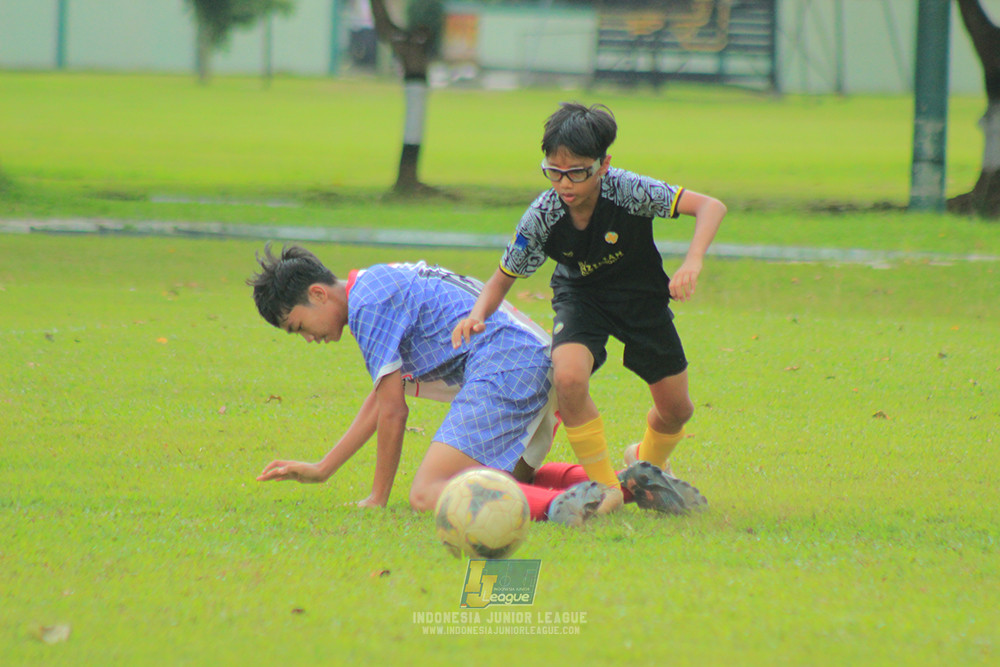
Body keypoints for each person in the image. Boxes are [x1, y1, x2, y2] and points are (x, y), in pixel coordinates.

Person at [452, 102, 725, 514]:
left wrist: (693, 261)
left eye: (577, 171)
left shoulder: (628, 190)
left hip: (640, 298)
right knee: (569, 377)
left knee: (677, 410)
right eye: (553, 170)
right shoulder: (542, 215)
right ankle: (606, 486)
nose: (565, 182)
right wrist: (477, 314)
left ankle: (645, 461)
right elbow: (503, 276)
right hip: (581, 298)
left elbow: (710, 206)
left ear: (603, 164)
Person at [247, 243, 617, 525]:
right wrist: (323, 468)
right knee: (506, 479)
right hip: (529, 358)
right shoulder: (377, 282)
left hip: (507, 367)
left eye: (299, 326)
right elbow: (381, 400)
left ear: (317, 294)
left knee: (426, 494)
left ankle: (557, 509)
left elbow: (394, 411)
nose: (308, 338)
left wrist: (378, 497)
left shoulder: (367, 305)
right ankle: (626, 483)